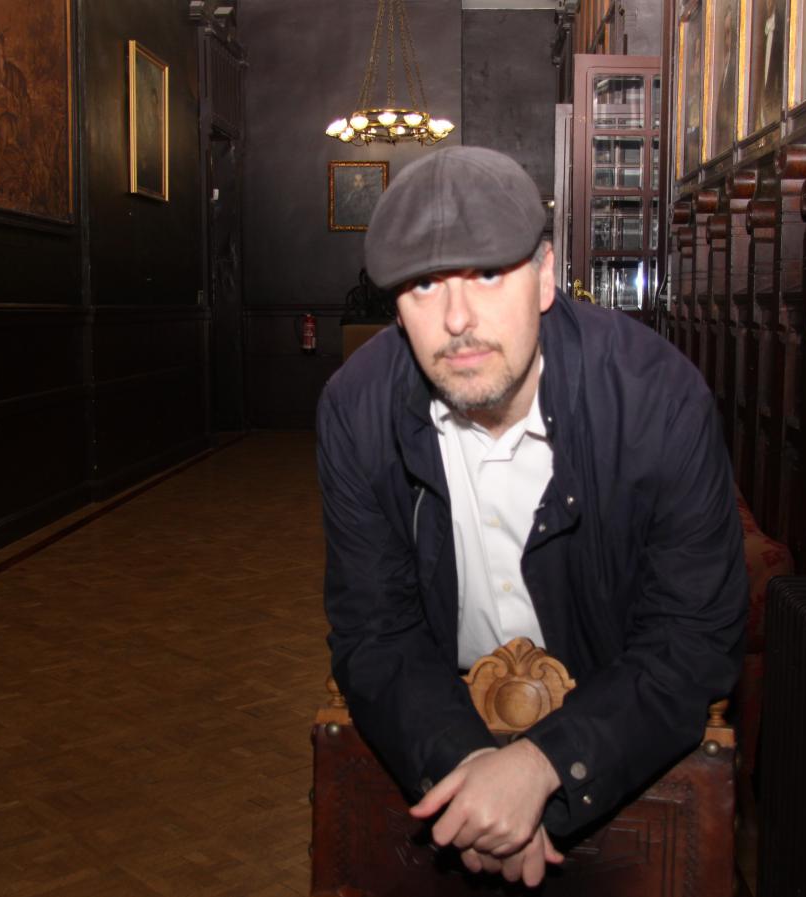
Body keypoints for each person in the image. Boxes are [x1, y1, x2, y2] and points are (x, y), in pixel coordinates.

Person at [316, 146, 747, 889]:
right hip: (436, 733)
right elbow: (373, 631)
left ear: (545, 277)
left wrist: (546, 763)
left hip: (622, 734)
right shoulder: (355, 410)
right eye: (423, 285)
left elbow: (694, 635)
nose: (457, 319)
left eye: (488, 273)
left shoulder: (657, 398)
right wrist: (472, 774)